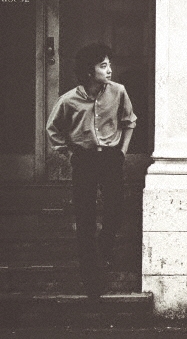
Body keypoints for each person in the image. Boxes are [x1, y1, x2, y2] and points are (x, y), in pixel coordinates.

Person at [46, 43, 137, 299]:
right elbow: (53, 130)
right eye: (103, 65)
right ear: (89, 71)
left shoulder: (118, 92)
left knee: (115, 208)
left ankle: (105, 248)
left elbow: (129, 121)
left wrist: (121, 152)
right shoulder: (68, 100)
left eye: (109, 64)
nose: (109, 70)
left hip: (110, 158)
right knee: (85, 216)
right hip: (84, 159)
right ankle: (91, 278)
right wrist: (69, 154)